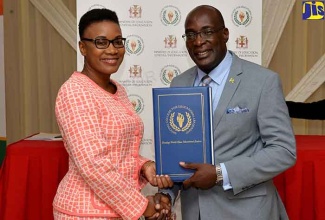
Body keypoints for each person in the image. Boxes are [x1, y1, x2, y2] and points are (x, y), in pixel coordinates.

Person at [160, 5, 297, 220]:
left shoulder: (262, 81)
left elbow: (283, 150)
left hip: (248, 212)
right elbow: (178, 153)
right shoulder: (179, 83)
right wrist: (166, 194)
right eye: (191, 34)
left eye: (207, 32)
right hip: (195, 212)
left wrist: (221, 174)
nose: (198, 41)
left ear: (225, 34)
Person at [53, 8, 173, 220]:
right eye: (101, 42)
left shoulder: (118, 89)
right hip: (85, 213)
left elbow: (119, 152)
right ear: (83, 47)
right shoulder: (74, 92)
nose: (112, 49)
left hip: (117, 210)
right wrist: (143, 207)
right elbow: (94, 165)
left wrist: (144, 166)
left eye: (117, 41)